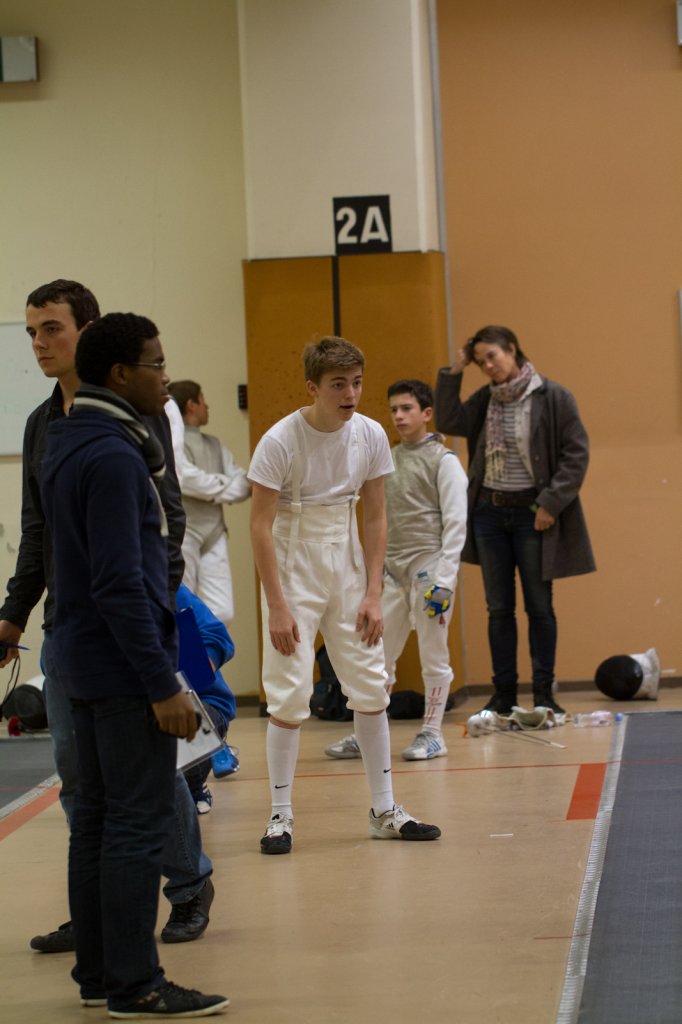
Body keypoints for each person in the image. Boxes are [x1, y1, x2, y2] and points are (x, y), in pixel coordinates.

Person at [0, 281, 214, 953]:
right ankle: (96, 912)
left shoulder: (139, 415)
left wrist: (155, 611)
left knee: (147, 775)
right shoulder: (43, 424)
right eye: (31, 331)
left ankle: (188, 885)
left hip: (131, 623)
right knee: (81, 784)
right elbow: (37, 529)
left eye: (52, 329)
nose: (39, 343)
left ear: (88, 334)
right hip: (70, 631)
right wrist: (14, 613)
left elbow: (167, 523)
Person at [41, 312, 228, 1018]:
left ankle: (98, 974)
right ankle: (134, 982)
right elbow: (121, 582)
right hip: (123, 667)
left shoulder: (68, 438)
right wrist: (161, 682)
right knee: (134, 824)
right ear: (120, 374)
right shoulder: (115, 455)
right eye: (157, 365)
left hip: (79, 658)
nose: (166, 379)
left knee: (94, 820)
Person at [248, 336, 441, 855]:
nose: (350, 393)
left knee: (371, 686)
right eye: (338, 384)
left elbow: (375, 515)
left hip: (349, 563)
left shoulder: (371, 434)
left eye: (356, 383)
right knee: (289, 693)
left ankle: (384, 810)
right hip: (292, 564)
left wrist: (373, 593)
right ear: (313, 387)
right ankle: (280, 814)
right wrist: (277, 606)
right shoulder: (280, 440)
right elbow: (260, 526)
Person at [434, 325, 596, 719]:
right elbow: (448, 419)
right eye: (480, 362)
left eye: (492, 356)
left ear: (512, 349)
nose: (488, 366)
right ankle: (503, 695)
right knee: (498, 609)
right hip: (488, 514)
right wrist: (455, 369)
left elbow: (576, 455)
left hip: (533, 515)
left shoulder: (553, 396)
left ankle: (543, 694)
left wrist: (550, 504)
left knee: (540, 607)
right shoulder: (484, 399)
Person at [325, 378, 468, 762]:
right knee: (375, 656)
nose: (399, 416)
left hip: (430, 571)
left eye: (407, 409)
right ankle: (368, 734)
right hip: (391, 572)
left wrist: (445, 580)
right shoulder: (387, 458)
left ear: (426, 413)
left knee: (433, 655)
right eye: (393, 410)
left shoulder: (444, 461)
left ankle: (432, 734)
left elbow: (456, 525)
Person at [167, 380, 250, 627]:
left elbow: (244, 484)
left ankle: (208, 652)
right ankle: (187, 653)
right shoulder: (173, 444)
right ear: (191, 405)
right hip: (185, 533)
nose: (208, 406)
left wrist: (213, 488)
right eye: (203, 400)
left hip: (214, 532)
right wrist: (223, 485)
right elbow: (189, 480)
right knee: (183, 607)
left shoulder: (215, 444)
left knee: (222, 611)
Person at [175, 582, 239, 816]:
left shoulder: (167, 586)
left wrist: (191, 679)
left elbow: (217, 636)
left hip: (203, 701)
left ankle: (194, 786)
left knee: (183, 722)